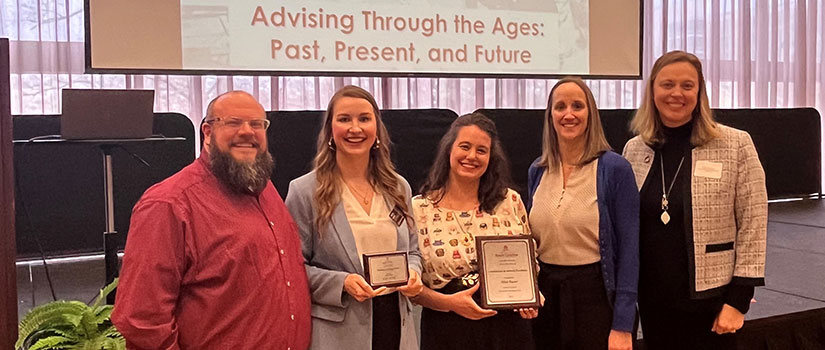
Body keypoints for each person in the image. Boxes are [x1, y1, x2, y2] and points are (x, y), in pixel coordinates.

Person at [111, 91, 311, 349]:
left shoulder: (266, 190)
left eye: (257, 124)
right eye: (233, 122)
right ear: (207, 132)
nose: (247, 132)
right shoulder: (168, 204)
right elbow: (142, 321)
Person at [623, 50, 767, 349]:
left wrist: (739, 301)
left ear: (699, 92)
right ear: (652, 90)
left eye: (687, 86)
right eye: (667, 84)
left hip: (712, 302)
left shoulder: (735, 144)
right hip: (653, 301)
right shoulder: (634, 149)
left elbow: (754, 222)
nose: (677, 93)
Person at [285, 85, 423, 350]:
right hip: (338, 333)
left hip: (397, 326)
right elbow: (291, 269)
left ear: (377, 129)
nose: (355, 128)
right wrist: (342, 282)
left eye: (364, 119)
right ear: (330, 130)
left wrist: (414, 273)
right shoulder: (304, 191)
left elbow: (413, 252)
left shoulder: (399, 187)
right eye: (344, 119)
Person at [527, 77, 639, 350]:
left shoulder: (614, 169)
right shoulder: (537, 170)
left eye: (577, 106)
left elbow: (630, 249)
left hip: (596, 298)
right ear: (550, 116)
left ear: (591, 114)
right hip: (546, 298)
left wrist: (623, 324)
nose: (568, 114)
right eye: (560, 106)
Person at [409, 113, 537, 350]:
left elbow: (529, 265)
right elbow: (412, 288)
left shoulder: (510, 202)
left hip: (508, 332)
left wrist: (533, 297)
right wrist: (449, 303)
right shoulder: (420, 208)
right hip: (447, 330)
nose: (471, 156)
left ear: (491, 157)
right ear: (449, 150)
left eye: (481, 150)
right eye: (465, 147)